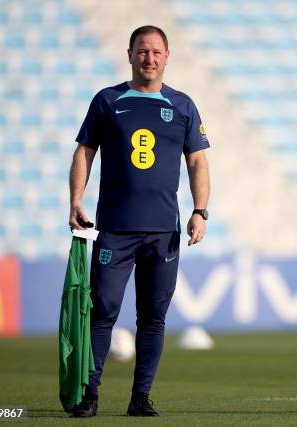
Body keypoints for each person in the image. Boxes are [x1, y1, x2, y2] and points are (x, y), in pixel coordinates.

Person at [68, 25, 210, 417]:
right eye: (142, 51)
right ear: (129, 54)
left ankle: (140, 397)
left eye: (156, 52)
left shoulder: (182, 105)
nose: (149, 58)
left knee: (153, 316)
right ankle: (89, 395)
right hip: (115, 228)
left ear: (167, 57)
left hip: (165, 231)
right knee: (103, 310)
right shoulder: (108, 101)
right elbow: (85, 151)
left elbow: (197, 159)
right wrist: (75, 201)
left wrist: (200, 210)